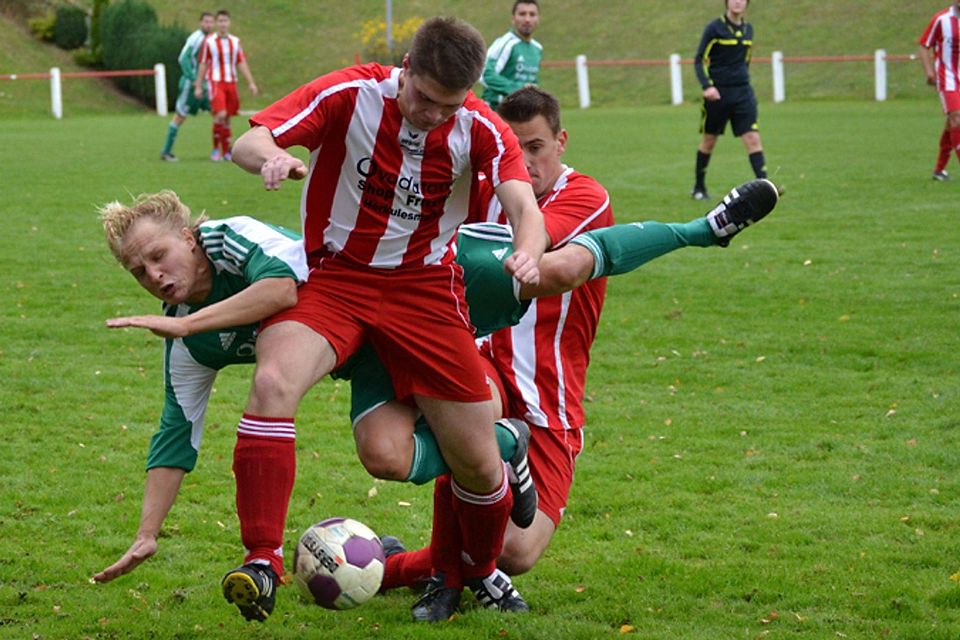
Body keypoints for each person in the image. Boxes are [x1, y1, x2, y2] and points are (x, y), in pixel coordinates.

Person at [349, 87, 781, 619]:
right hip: (478, 363)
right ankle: (449, 578)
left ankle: (392, 566)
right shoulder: (479, 186)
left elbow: (538, 244)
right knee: (467, 416)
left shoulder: (585, 198)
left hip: (547, 393)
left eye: (535, 147)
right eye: (513, 147)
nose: (524, 161)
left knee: (516, 551)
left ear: (561, 141)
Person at [220, 16, 546, 623]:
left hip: (425, 291)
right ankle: (261, 560)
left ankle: (477, 569)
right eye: (421, 96)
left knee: (476, 460)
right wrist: (269, 159)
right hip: (336, 281)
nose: (429, 113)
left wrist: (527, 250)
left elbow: (524, 204)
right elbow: (251, 138)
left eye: (445, 106)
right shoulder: (350, 94)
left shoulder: (480, 127)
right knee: (271, 383)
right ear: (406, 68)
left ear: (467, 95)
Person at [91, 191, 307, 584]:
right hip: (351, 360)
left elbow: (282, 289)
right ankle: (406, 564)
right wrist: (146, 534)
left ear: (189, 239)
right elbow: (176, 433)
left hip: (381, 308)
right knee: (387, 453)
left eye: (159, 256)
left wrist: (188, 324)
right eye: (139, 271)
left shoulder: (229, 239)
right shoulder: (185, 337)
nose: (153, 275)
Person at [691, 0, 767, 200]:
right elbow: (699, 60)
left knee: (752, 138)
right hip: (718, 95)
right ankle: (699, 187)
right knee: (709, 141)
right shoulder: (714, 28)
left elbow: (746, 61)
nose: (737, 2)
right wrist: (708, 86)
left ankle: (766, 187)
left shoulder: (749, 30)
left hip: (743, 93)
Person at [194, 9, 258, 162]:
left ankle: (226, 152)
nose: (223, 24)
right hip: (216, 82)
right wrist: (198, 85)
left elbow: (241, 62)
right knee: (220, 115)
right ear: (217, 23)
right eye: (220, 21)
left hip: (231, 82)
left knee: (228, 118)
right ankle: (216, 149)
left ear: (229, 23)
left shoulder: (235, 42)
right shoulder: (209, 41)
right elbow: (203, 63)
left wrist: (251, 83)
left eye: (225, 21)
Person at [161, 12, 214, 162]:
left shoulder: (212, 39)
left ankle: (224, 151)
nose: (208, 25)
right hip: (190, 85)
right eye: (206, 22)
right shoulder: (195, 38)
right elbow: (183, 58)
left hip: (207, 85)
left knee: (219, 114)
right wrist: (194, 80)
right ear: (200, 22)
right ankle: (166, 151)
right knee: (180, 116)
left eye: (211, 22)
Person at [919, 1, 960, 181]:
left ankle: (939, 169)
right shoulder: (941, 19)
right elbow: (923, 45)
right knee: (957, 118)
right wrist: (929, 71)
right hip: (947, 78)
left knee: (952, 125)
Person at [481, 1, 542, 109]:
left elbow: (530, 81)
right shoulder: (506, 43)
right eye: (522, 14)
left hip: (519, 112)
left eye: (532, 14)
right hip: (496, 110)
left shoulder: (537, 48)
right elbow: (485, 74)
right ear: (513, 18)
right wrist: (518, 90)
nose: (527, 19)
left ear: (538, 19)